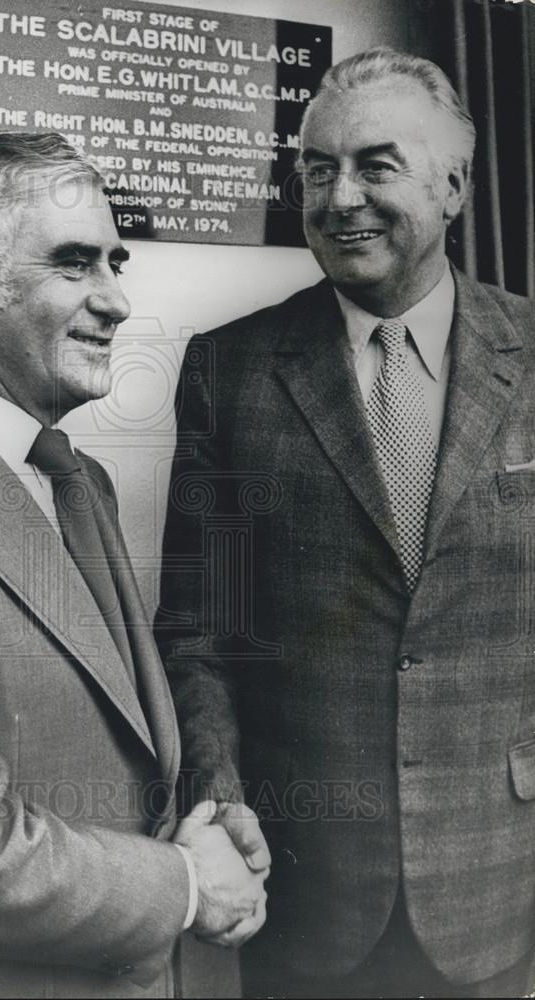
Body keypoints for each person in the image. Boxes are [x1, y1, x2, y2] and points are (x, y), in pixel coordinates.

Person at [0, 131, 270, 1000]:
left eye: (116, 260)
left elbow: (122, 750)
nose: (116, 300)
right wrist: (185, 885)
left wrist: (207, 819)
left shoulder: (78, 479)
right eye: (76, 264)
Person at [156, 48, 535, 999]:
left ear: (453, 186)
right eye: (317, 170)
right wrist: (218, 792)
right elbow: (204, 630)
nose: (339, 198)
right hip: (308, 886)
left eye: (375, 164)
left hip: (505, 878)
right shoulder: (230, 371)